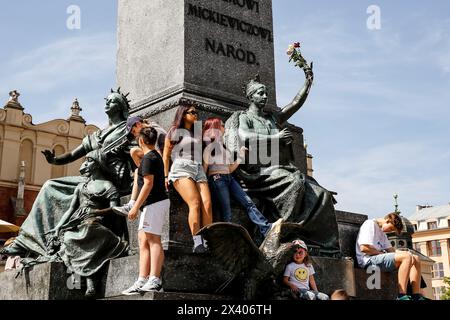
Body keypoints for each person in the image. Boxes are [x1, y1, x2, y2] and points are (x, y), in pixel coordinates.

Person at [2, 89, 133, 259]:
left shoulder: (127, 130)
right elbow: (72, 155)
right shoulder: (98, 134)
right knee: (49, 184)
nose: (107, 103)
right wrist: (55, 160)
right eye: (106, 100)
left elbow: (137, 156)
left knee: (52, 188)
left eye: (112, 101)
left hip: (111, 181)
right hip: (91, 179)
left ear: (121, 107)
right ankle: (27, 242)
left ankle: (29, 243)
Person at [224, 69, 341, 256]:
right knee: (295, 183)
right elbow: (244, 136)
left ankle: (326, 246)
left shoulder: (272, 118)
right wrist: (276, 136)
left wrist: (307, 85)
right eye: (260, 93)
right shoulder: (243, 117)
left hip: (280, 168)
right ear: (250, 96)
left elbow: (294, 105)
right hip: (259, 171)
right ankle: (280, 232)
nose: (264, 96)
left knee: (323, 195)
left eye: (266, 93)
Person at [46, 150, 128, 297]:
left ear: (97, 164)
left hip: (96, 223)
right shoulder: (81, 187)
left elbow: (115, 208)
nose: (84, 164)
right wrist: (59, 225)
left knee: (89, 229)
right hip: (79, 222)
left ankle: (86, 283)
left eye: (88, 161)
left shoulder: (107, 185)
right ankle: (82, 284)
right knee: (68, 237)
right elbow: (71, 209)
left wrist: (96, 212)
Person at [202, 117, 273, 237]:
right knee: (227, 213)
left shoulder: (223, 147)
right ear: (215, 128)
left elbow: (229, 169)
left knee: (248, 203)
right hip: (217, 179)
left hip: (229, 179)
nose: (225, 127)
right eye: (222, 125)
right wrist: (203, 186)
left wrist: (240, 156)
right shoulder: (210, 147)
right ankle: (226, 239)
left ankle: (266, 228)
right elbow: (204, 168)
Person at [122, 127, 169, 295]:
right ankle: (143, 278)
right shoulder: (153, 156)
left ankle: (155, 280)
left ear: (141, 141)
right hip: (151, 204)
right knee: (143, 240)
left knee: (153, 239)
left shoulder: (150, 158)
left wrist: (134, 206)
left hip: (154, 202)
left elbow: (148, 183)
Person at [163, 104, 212, 253]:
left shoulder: (197, 132)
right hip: (181, 168)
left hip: (198, 168)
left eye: (197, 112)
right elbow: (166, 155)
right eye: (192, 112)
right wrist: (165, 176)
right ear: (183, 114)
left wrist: (204, 169)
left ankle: (208, 240)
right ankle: (197, 241)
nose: (196, 115)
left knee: (207, 204)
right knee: (195, 203)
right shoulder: (175, 131)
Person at [355, 212, 427, 300]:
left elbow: (392, 251)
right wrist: (382, 254)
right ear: (388, 221)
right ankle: (401, 296)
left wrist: (406, 253)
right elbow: (364, 248)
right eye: (391, 228)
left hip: (377, 258)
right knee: (407, 257)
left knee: (415, 258)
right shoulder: (370, 224)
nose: (390, 231)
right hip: (367, 260)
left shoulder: (382, 232)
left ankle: (416, 296)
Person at [113, 116, 167, 216]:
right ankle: (132, 201)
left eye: (134, 131)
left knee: (138, 169)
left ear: (138, 124)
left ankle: (132, 203)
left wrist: (165, 176)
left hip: (165, 163)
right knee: (136, 162)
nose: (135, 135)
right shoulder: (151, 128)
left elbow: (159, 154)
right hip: (159, 161)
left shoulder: (153, 132)